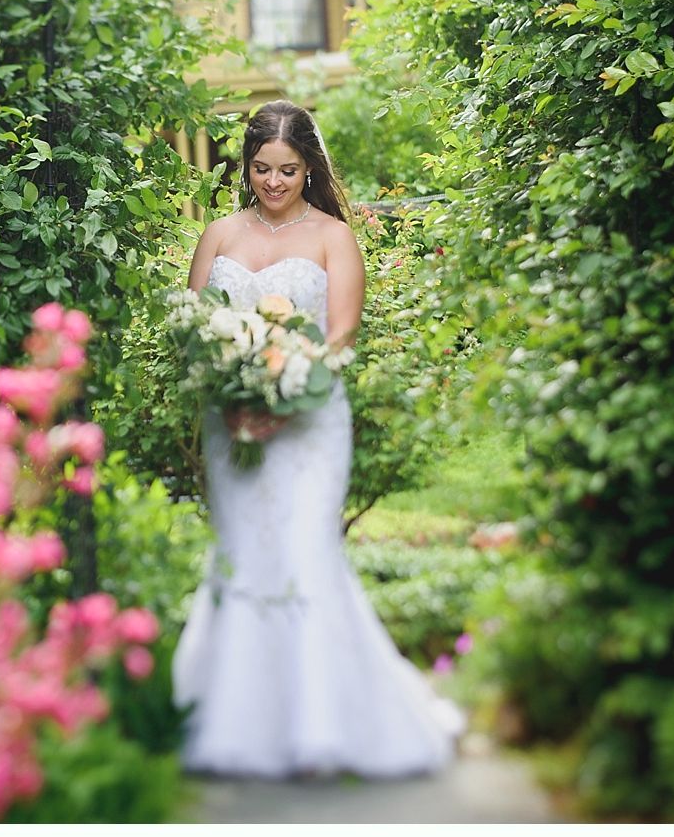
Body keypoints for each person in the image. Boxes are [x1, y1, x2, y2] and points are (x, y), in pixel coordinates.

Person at [172, 99, 465, 779]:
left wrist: (279, 394)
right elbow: (197, 329)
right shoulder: (217, 234)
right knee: (242, 559)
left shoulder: (334, 235)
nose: (273, 183)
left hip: (308, 420)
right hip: (232, 422)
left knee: (305, 554)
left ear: (310, 169)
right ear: (244, 167)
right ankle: (236, 720)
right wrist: (235, 395)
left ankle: (320, 727)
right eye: (260, 169)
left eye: (288, 170)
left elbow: (339, 337)